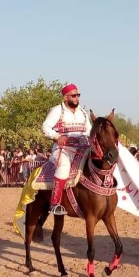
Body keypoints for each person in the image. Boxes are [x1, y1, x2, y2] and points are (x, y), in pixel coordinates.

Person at [41, 83, 92, 215]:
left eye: (78, 95)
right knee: (64, 167)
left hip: (83, 148)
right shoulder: (57, 111)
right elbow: (45, 127)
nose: (77, 98)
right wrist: (56, 136)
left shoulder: (83, 113)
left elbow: (89, 130)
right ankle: (54, 203)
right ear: (65, 97)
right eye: (73, 95)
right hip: (63, 149)